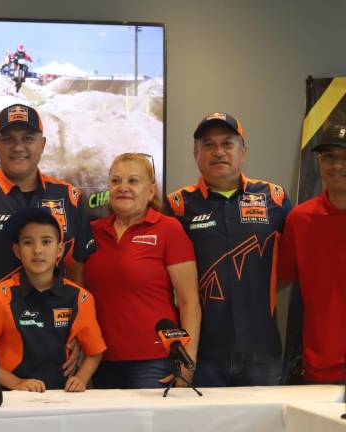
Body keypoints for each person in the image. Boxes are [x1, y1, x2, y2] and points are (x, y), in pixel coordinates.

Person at [0, 104, 95, 335]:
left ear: (42, 144)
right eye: (8, 139)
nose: (18, 147)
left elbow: (76, 270)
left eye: (28, 138)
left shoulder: (69, 197)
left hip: (54, 342)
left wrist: (74, 333)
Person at [165, 112, 291, 387]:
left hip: (262, 350)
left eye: (227, 144)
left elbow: (292, 267)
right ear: (196, 154)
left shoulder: (275, 197)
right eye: (208, 145)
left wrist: (258, 291)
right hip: (203, 353)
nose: (218, 152)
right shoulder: (177, 205)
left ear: (242, 151)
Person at [83, 153, 201, 389]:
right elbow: (79, 297)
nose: (123, 188)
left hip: (153, 361)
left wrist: (187, 361)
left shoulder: (169, 229)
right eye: (116, 181)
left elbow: (189, 301)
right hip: (100, 360)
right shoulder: (92, 232)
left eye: (133, 181)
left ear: (150, 191)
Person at [0, 207, 105, 392]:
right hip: (11, 398)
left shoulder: (80, 298)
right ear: (17, 251)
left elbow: (95, 352)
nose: (37, 250)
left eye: (46, 242)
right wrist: (15, 383)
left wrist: (80, 379)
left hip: (61, 397)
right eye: (28, 242)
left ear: (59, 250)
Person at [278, 123, 346, 384]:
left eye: (344, 157)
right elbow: (281, 280)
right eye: (329, 157)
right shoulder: (300, 219)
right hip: (322, 370)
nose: (337, 166)